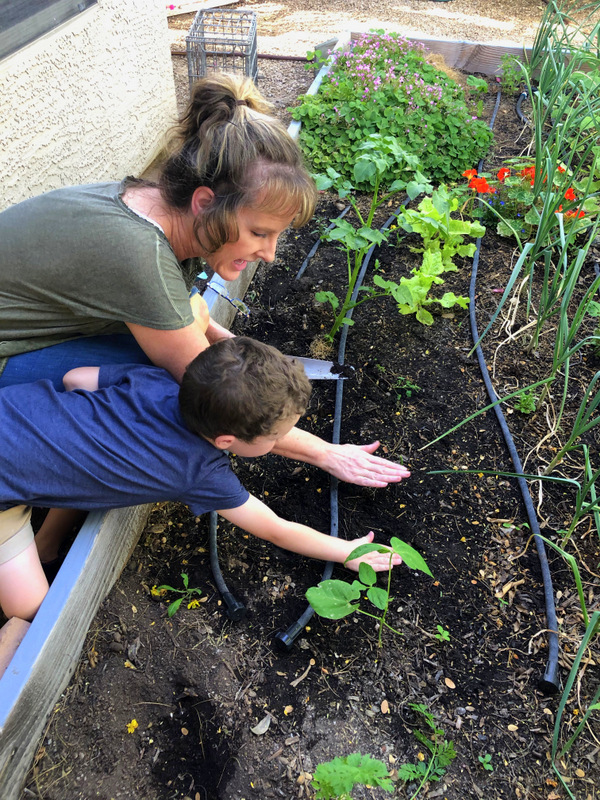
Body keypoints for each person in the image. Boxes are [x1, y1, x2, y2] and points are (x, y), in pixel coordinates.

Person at [0, 72, 409, 489]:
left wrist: (224, 340)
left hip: (38, 332)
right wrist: (326, 452)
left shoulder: (156, 207)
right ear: (205, 203)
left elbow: (185, 312)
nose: (268, 255)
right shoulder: (140, 254)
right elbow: (218, 392)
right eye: (259, 233)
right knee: (174, 391)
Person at [0, 338, 405, 621]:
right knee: (35, 610)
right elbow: (277, 529)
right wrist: (346, 552)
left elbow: (74, 379)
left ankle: (46, 544)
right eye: (277, 437)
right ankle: (36, 551)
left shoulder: (157, 380)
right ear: (227, 441)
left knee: (83, 470)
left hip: (13, 409)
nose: (283, 441)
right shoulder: (199, 471)